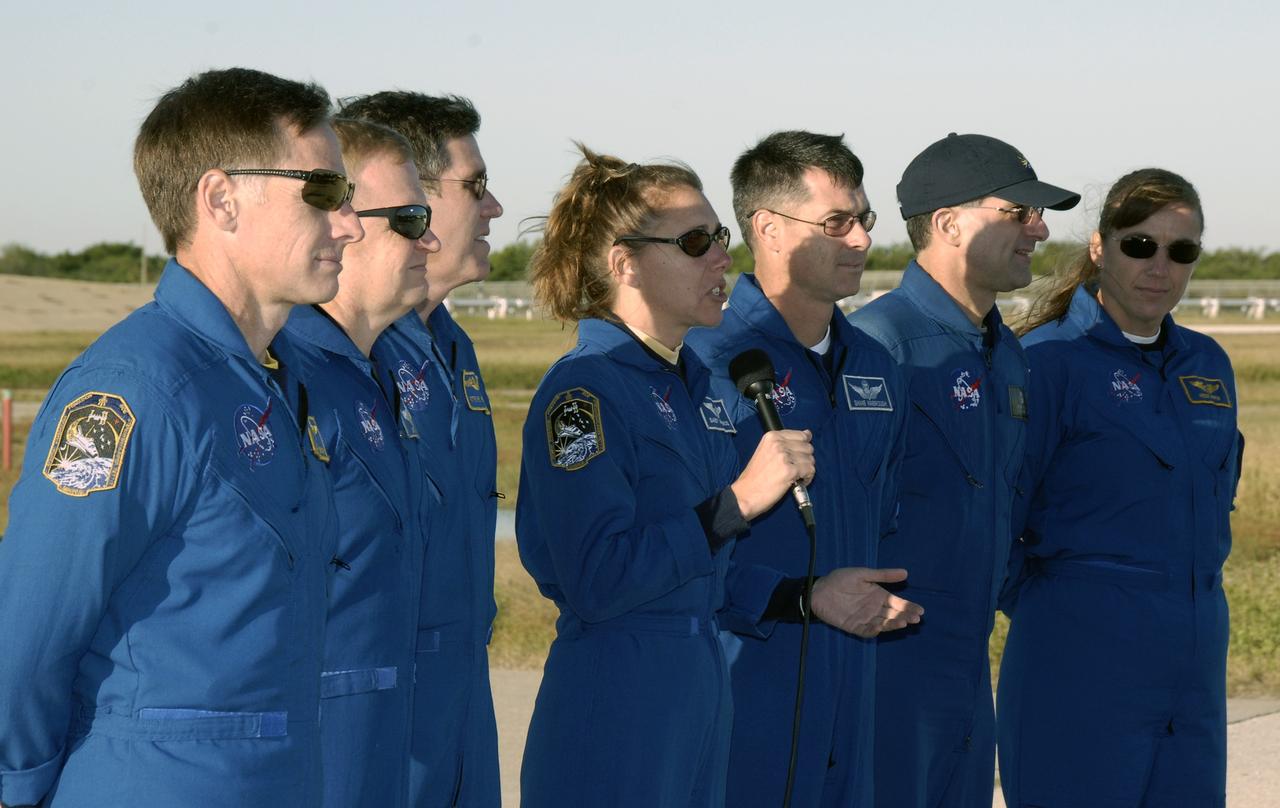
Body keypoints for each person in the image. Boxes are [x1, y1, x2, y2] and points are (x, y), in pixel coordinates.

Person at [0, 68, 363, 808]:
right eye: (324, 192)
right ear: (222, 200)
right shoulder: (133, 391)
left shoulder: (275, 377)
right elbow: (29, 634)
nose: (351, 222)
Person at [515, 146, 820, 807]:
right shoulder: (583, 395)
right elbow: (597, 578)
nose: (722, 259)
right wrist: (737, 503)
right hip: (619, 691)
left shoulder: (701, 386)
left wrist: (805, 595)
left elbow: (706, 568)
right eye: (694, 241)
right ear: (623, 264)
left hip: (699, 687)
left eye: (720, 238)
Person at [685, 130, 921, 807]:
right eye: (836, 222)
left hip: (854, 684)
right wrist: (790, 595)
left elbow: (888, 518)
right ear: (769, 229)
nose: (862, 241)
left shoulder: (876, 366)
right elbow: (680, 542)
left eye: (864, 220)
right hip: (746, 679)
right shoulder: (708, 363)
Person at [997, 168, 1242, 807]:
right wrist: (1066, 604)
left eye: (1181, 250)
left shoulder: (1208, 365)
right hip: (1081, 648)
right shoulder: (1047, 362)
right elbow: (997, 518)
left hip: (1193, 652)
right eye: (1140, 245)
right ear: (1101, 247)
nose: (1160, 265)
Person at [848, 133, 1078, 808]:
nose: (1038, 229)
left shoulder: (1005, 351)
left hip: (969, 660)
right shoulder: (878, 347)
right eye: (1017, 212)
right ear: (948, 223)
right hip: (887, 660)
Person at [338, 91, 505, 806]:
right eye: (475, 185)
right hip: (377, 717)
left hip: (461, 699)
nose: (495, 207)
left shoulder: (451, 346)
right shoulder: (345, 354)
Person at [277, 117, 440, 808]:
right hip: (312, 751)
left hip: (387, 736)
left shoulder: (385, 367)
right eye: (408, 218)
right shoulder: (281, 376)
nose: (428, 238)